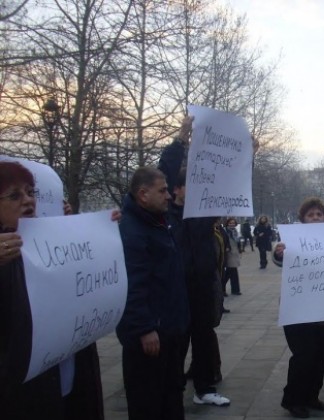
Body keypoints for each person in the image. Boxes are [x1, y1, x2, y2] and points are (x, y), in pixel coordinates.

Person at [0, 161, 105, 420]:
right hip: (24, 395)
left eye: (30, 192)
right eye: (15, 195)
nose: (27, 200)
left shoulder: (47, 242)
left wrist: (93, 229)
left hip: (67, 379)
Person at [117, 167, 190, 420]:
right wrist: (144, 328)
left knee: (171, 396)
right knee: (148, 403)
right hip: (149, 337)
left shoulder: (158, 222)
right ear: (143, 195)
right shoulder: (132, 230)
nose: (168, 196)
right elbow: (132, 284)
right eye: (162, 191)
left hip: (168, 330)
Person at [163, 168, 229, 407]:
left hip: (201, 286)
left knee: (203, 339)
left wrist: (247, 158)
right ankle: (173, 388)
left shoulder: (204, 214)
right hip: (177, 288)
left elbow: (231, 189)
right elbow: (164, 169)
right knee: (177, 341)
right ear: (177, 189)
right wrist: (180, 141)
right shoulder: (166, 215)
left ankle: (204, 388)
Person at [280, 197, 324, 419]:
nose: (315, 218)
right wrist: (278, 253)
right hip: (297, 309)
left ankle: (312, 396)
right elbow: (278, 256)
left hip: (323, 310)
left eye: (319, 214)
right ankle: (293, 399)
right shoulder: (293, 238)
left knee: (320, 355)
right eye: (310, 215)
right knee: (304, 355)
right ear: (303, 218)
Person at [223, 218, 242, 295]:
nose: (232, 224)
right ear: (227, 223)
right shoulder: (225, 231)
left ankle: (235, 290)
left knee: (232, 271)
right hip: (229, 253)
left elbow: (238, 242)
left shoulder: (235, 231)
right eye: (230, 223)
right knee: (230, 271)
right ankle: (223, 288)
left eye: (233, 223)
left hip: (235, 252)